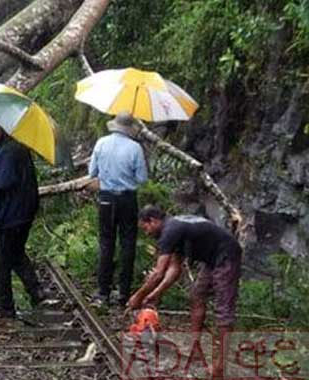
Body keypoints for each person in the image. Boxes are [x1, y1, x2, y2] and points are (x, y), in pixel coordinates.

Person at [127, 205, 242, 336]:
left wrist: (137, 296)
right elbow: (174, 270)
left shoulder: (170, 232)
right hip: (211, 259)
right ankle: (195, 343)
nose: (147, 232)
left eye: (145, 228)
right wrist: (155, 294)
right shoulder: (174, 228)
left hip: (227, 254)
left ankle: (223, 353)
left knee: (223, 307)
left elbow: (158, 274)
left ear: (153, 221)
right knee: (197, 295)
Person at [0, 119, 45, 318]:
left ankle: (4, 305)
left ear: (3, 130)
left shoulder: (8, 152)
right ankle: (36, 291)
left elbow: (0, 187)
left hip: (9, 216)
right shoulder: (18, 149)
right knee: (15, 254)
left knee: (0, 260)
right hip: (22, 213)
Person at [88, 111, 148, 307]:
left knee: (106, 243)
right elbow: (142, 179)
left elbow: (92, 173)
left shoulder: (101, 143)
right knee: (127, 244)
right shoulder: (135, 148)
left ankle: (103, 291)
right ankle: (123, 292)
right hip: (127, 200)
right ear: (130, 128)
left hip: (106, 198)